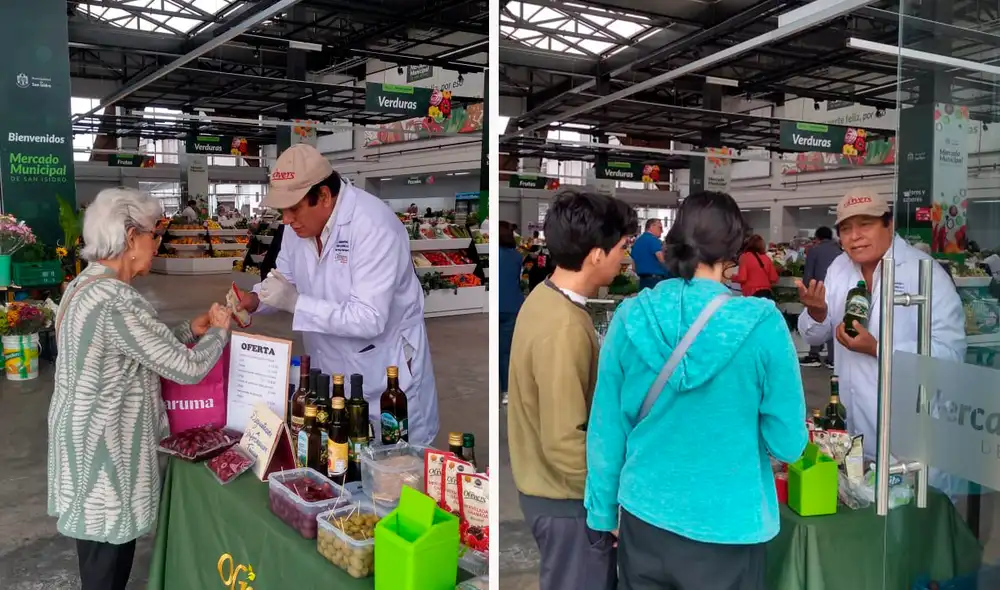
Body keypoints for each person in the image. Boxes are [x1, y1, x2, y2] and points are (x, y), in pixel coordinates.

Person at [585, 191, 807, 590]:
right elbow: (787, 444)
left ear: (674, 240)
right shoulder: (762, 324)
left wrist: (603, 512)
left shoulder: (631, 316)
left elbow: (606, 429)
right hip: (729, 528)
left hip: (644, 517)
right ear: (733, 249)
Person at [47, 188, 231, 590]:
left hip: (85, 446)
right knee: (106, 566)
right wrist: (219, 332)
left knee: (99, 557)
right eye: (153, 234)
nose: (156, 243)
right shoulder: (115, 300)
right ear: (131, 237)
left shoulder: (85, 286)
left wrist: (189, 330)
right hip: (106, 456)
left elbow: (135, 349)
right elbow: (188, 368)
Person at [235, 144, 440, 445]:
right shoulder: (295, 229)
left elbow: (369, 318)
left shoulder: (373, 226)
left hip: (383, 368)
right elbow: (283, 279)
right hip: (329, 367)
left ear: (324, 196)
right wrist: (255, 300)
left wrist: (296, 303)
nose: (287, 219)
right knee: (340, 455)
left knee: (397, 458)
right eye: (282, 211)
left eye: (294, 208)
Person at [508, 189, 637, 590]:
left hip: (550, 491)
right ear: (596, 254)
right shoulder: (563, 327)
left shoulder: (546, 297)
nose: (626, 259)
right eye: (622, 248)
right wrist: (608, 503)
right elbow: (564, 441)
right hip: (567, 501)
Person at [796, 188, 965, 488]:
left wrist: (879, 348)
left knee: (914, 511)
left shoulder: (924, 272)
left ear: (889, 224)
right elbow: (815, 334)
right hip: (854, 434)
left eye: (865, 225)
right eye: (846, 229)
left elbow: (951, 356)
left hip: (911, 434)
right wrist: (817, 313)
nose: (855, 237)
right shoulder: (839, 268)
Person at [799, 226, 842, 368]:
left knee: (817, 320)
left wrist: (806, 291)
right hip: (836, 291)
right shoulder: (839, 251)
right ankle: (832, 359)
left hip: (818, 290)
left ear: (817, 238)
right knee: (834, 322)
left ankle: (814, 356)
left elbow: (808, 272)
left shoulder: (814, 250)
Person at [498, 221, 524, 402]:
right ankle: (506, 391)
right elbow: (518, 280)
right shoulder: (517, 257)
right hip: (513, 306)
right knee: (506, 351)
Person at [731, 234, 778, 299]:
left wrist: (733, 278)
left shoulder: (744, 257)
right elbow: (774, 278)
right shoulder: (766, 258)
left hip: (751, 293)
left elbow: (742, 278)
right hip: (766, 293)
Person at [631, 218, 668, 291]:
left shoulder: (637, 242)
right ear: (652, 226)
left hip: (642, 281)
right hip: (656, 281)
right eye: (660, 228)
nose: (662, 231)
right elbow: (662, 260)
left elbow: (634, 267)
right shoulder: (654, 240)